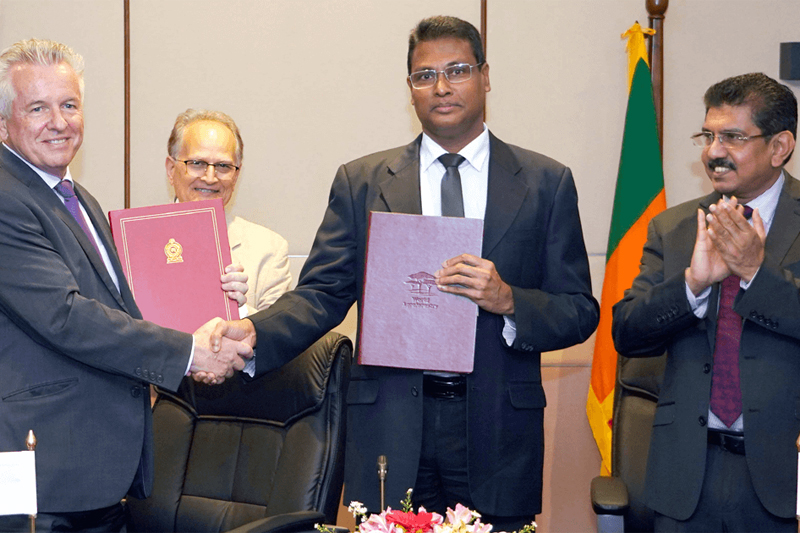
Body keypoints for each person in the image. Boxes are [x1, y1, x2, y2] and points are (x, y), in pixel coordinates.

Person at [208, 16, 598, 530]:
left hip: (497, 432)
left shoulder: (545, 183)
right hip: (391, 425)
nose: (441, 87)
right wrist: (255, 331)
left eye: (457, 70)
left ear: (485, 77)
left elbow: (578, 310)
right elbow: (321, 293)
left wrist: (509, 300)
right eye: (424, 75)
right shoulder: (363, 182)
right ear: (410, 88)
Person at [0, 39, 252, 532]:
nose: (59, 122)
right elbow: (66, 317)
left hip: (89, 472)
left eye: (69, 105)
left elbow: (124, 306)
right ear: (4, 122)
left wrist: (213, 315)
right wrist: (191, 352)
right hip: (43, 473)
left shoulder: (77, 198)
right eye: (38, 108)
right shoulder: (8, 199)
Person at [612, 72, 800, 531]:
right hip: (685, 477)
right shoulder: (674, 228)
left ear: (779, 146)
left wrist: (756, 272)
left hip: (782, 473)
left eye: (733, 137)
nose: (714, 151)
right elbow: (627, 332)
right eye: (708, 136)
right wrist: (692, 284)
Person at [166, 108, 292, 316]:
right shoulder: (132, 242)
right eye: (197, 163)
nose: (210, 177)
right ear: (171, 170)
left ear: (236, 176)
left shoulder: (269, 251)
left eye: (223, 166)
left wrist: (240, 310)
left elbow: (280, 334)